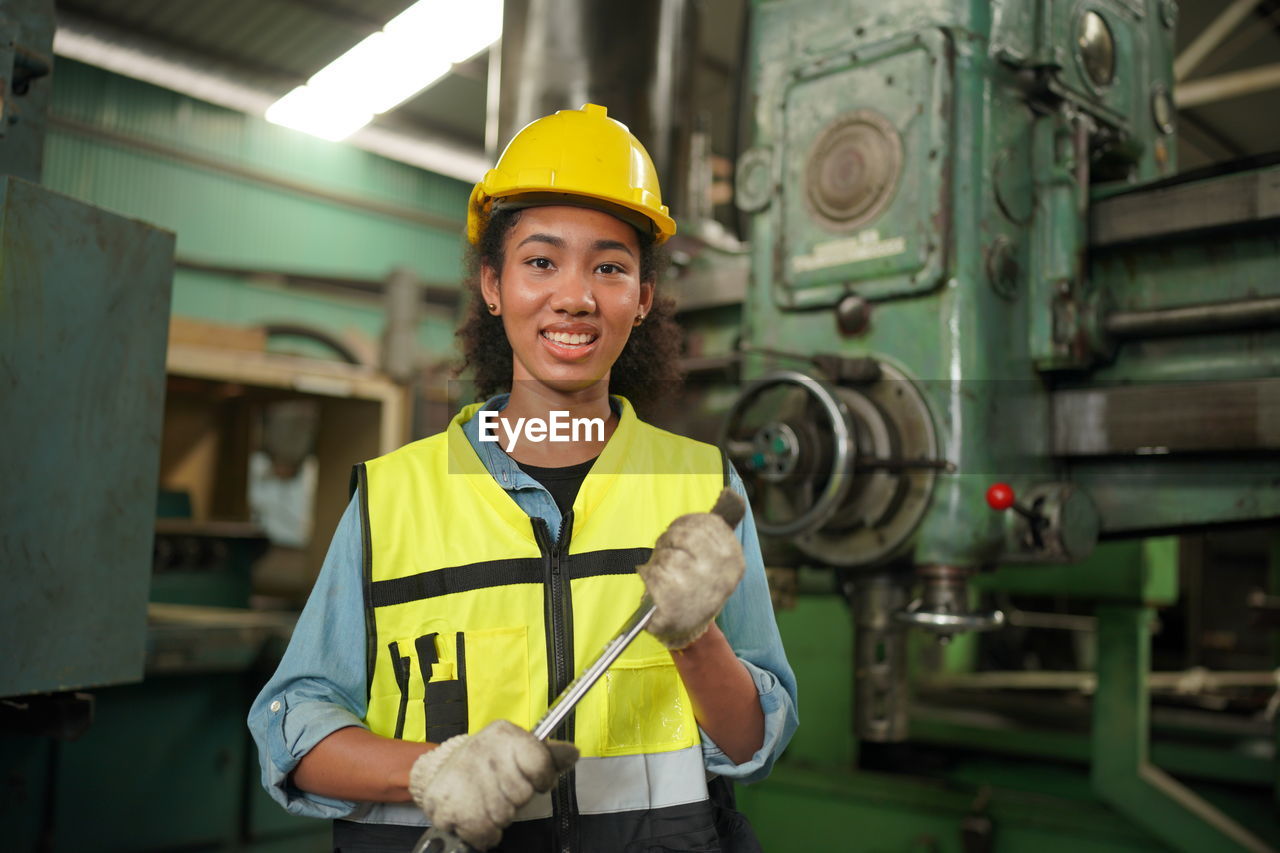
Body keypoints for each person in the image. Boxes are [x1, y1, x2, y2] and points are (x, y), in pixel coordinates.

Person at [247, 103, 798, 852]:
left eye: (610, 266)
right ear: (493, 285)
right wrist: (430, 770)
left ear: (641, 299)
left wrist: (696, 639)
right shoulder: (394, 496)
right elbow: (296, 728)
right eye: (542, 261)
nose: (575, 295)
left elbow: (750, 743)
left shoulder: (703, 488)